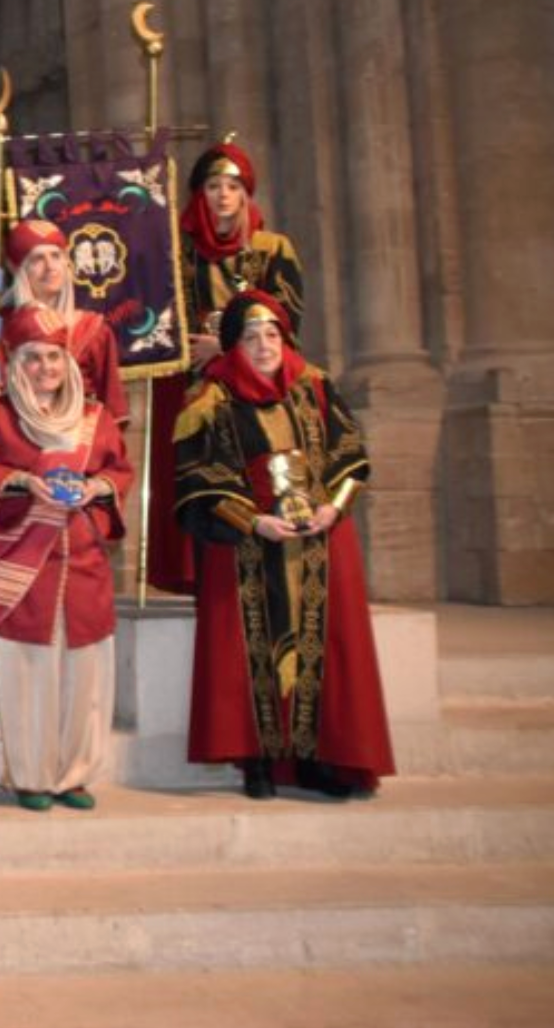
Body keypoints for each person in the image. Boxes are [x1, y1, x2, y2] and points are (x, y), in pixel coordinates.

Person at [174, 290, 390, 800]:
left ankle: (315, 759)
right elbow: (201, 476)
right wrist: (253, 522)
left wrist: (333, 506)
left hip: (319, 540)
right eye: (251, 336)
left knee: (323, 653)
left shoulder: (315, 388)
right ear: (234, 346)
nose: (264, 344)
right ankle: (258, 762)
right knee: (246, 654)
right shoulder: (209, 401)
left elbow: (350, 454)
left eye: (272, 334)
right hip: (247, 545)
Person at [0, 308, 133, 811]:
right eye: (33, 358)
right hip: (23, 564)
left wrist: (98, 485)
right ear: (15, 364)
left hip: (85, 563)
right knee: (28, 671)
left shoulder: (97, 419)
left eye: (54, 356)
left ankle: (74, 774)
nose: (46, 367)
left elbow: (120, 470)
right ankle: (28, 775)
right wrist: (25, 481)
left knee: (85, 671)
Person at [147, 144, 305, 595]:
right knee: (198, 470)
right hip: (191, 379)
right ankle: (198, 571)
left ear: (246, 194)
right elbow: (155, 312)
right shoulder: (177, 249)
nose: (223, 195)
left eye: (232, 187)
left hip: (253, 381)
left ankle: (263, 552)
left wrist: (229, 345)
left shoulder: (272, 248)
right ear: (200, 193)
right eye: (214, 186)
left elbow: (288, 319)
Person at [1, 219, 128, 427]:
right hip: (12, 442)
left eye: (56, 256)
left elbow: (113, 412)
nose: (50, 267)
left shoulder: (94, 329)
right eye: (37, 259)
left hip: (76, 446)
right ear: (16, 269)